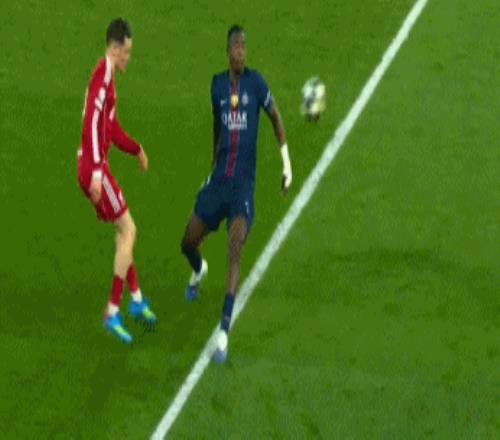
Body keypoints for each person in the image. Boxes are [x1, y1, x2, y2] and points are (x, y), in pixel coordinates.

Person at [180, 25, 292, 362]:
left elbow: (276, 118)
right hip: (218, 184)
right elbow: (217, 127)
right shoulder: (216, 86)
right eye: (237, 47)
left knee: (234, 248)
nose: (242, 52)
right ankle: (199, 270)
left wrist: (287, 165)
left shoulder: (256, 84)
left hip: (242, 186)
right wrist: (211, 168)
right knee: (187, 242)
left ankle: (224, 332)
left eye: (244, 46)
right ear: (228, 52)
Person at [77, 18, 156, 344]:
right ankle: (112, 311)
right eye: (127, 52)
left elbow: (111, 130)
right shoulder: (102, 77)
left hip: (92, 166)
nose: (129, 58)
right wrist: (97, 173)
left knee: (122, 234)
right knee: (129, 230)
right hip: (94, 169)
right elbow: (91, 126)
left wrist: (136, 149)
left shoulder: (108, 80)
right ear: (115, 48)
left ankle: (135, 299)